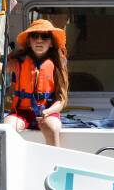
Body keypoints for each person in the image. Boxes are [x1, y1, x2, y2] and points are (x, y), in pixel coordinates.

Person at [5, 18, 68, 146]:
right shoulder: (19, 61)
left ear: (51, 43)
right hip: (21, 112)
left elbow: (61, 100)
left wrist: (47, 112)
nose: (39, 40)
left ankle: (54, 161)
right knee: (6, 128)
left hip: (48, 112)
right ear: (29, 41)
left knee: (52, 128)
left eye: (45, 37)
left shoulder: (57, 65)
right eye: (34, 36)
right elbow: (0, 68)